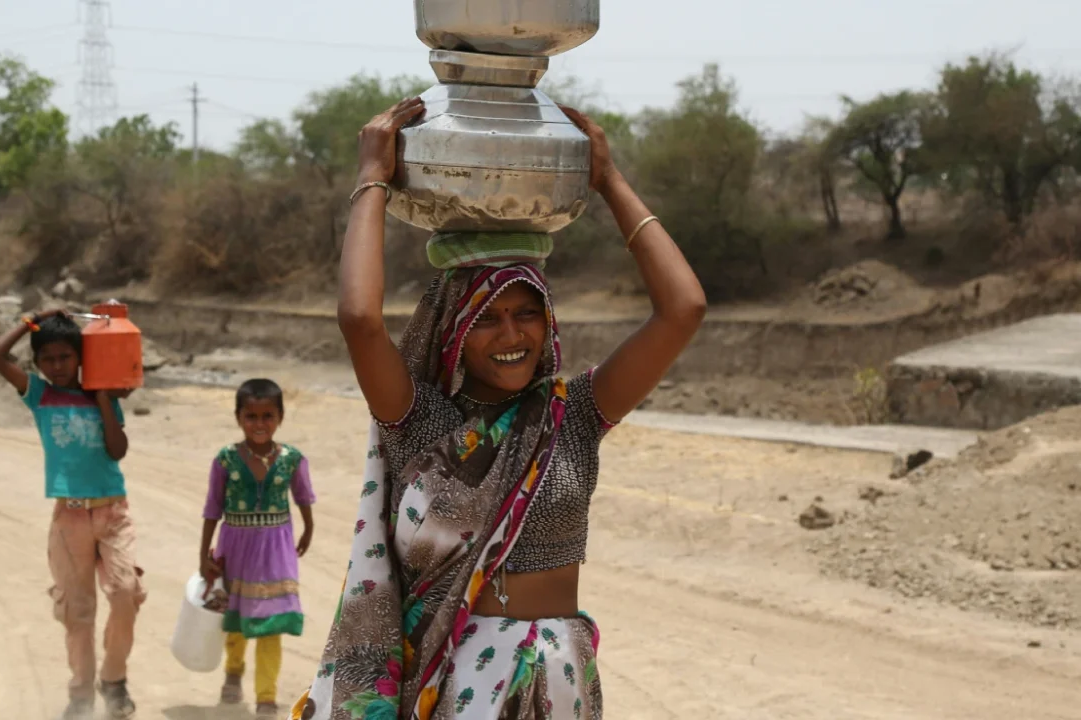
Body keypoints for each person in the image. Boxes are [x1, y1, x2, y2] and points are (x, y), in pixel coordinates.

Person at [292, 97, 705, 720]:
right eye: (486, 318)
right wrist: (373, 178)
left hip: (561, 677)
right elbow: (359, 319)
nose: (511, 335)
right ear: (453, 330)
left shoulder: (576, 415)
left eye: (526, 312)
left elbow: (684, 309)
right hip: (462, 684)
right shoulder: (421, 424)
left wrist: (608, 179)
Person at [0, 310, 145, 720]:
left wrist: (104, 400)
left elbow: (118, 450)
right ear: (38, 364)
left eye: (65, 358)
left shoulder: (102, 392)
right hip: (69, 517)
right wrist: (30, 321)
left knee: (126, 593)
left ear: (81, 356)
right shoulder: (39, 394)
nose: (57, 367)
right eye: (48, 359)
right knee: (77, 611)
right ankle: (80, 694)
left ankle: (114, 680)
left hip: (112, 511)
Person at [200, 378, 317, 718]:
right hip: (234, 547)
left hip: (276, 548)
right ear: (238, 418)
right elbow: (211, 509)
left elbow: (303, 497)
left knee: (272, 621)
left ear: (280, 417)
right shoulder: (224, 460)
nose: (260, 424)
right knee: (235, 618)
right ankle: (233, 672)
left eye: (268, 416)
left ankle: (267, 695)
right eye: (251, 416)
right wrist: (203, 555)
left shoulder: (293, 459)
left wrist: (309, 528)